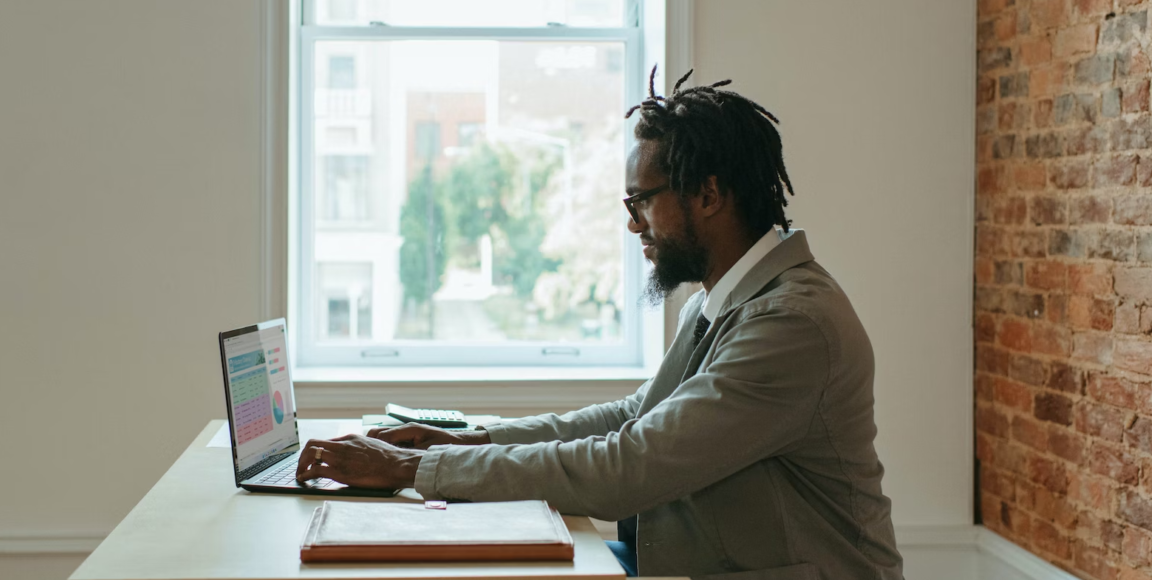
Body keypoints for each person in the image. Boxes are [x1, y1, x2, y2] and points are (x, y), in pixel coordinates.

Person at [295, 68, 904, 580]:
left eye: (642, 201)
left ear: (709, 195)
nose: (634, 223)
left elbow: (630, 464)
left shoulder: (792, 324)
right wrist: (466, 441)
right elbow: (633, 417)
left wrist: (410, 470)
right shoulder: (721, 301)